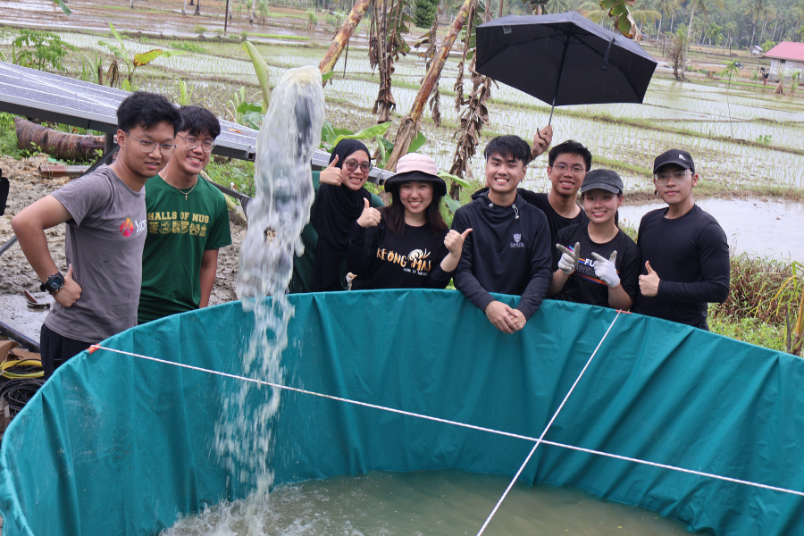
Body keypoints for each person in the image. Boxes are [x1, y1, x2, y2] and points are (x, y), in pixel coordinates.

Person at [11, 92, 181, 378]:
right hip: (77, 339)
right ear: (122, 138)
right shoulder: (100, 187)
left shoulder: (139, 187)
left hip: (113, 336)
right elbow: (26, 221)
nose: (157, 153)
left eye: (166, 145)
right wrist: (54, 283)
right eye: (147, 142)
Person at [137, 106, 232, 324]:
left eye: (207, 143)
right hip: (139, 310)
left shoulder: (214, 200)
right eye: (191, 139)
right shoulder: (144, 190)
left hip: (183, 315)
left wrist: (198, 313)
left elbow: (208, 263)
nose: (199, 149)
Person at [451, 135, 552, 334]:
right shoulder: (466, 215)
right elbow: (461, 271)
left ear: (523, 172)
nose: (502, 171)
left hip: (518, 320)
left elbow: (541, 272)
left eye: (511, 165)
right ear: (486, 168)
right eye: (496, 163)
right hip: (475, 311)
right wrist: (488, 304)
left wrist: (523, 311)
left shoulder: (537, 218)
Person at [634, 150, 730, 330]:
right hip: (644, 327)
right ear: (655, 182)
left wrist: (662, 288)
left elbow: (719, 289)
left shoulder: (707, 229)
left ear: (694, 179)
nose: (670, 183)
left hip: (685, 333)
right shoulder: (648, 221)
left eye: (679, 175)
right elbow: (640, 275)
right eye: (663, 176)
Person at [347, 153, 470, 290]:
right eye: (407, 187)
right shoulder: (379, 219)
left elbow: (432, 289)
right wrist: (359, 227)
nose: (414, 195)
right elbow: (356, 267)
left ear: (433, 191)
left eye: (422, 186)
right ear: (398, 190)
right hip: (369, 307)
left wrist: (454, 255)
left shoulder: (440, 235)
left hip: (409, 310)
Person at [289, 139, 384, 293]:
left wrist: (359, 228)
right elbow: (274, 190)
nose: (359, 171)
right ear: (338, 163)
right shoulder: (311, 195)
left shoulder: (370, 204)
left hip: (336, 297)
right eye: (351, 164)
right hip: (297, 294)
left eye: (364, 166)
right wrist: (316, 177)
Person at [550, 169, 641, 310]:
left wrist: (614, 284)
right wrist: (563, 272)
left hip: (599, 325)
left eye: (606, 197)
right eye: (591, 198)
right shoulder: (566, 235)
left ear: (620, 200)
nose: (598, 205)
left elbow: (623, 307)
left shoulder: (629, 250)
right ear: (582, 200)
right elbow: (549, 289)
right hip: (562, 317)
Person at [474, 139, 591, 247]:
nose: (568, 174)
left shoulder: (589, 224)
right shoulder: (526, 201)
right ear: (549, 172)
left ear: (586, 176)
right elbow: (494, 189)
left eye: (576, 169)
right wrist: (532, 154)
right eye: (561, 166)